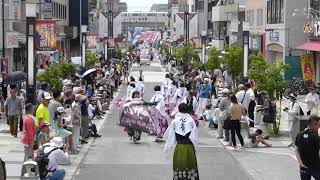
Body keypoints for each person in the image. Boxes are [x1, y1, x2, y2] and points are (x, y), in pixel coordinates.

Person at [164, 103, 199, 180]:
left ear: (178, 110)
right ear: (187, 110)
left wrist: (167, 148)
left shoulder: (175, 121)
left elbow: (170, 136)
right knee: (190, 165)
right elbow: (194, 136)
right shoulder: (191, 120)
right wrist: (196, 148)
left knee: (179, 165)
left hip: (179, 147)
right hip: (189, 147)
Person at [295, 116, 320, 180]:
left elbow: (296, 150)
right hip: (316, 167)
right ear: (314, 124)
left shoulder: (299, 135)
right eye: (318, 125)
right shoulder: (315, 137)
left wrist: (301, 163)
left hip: (303, 167)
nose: (319, 127)